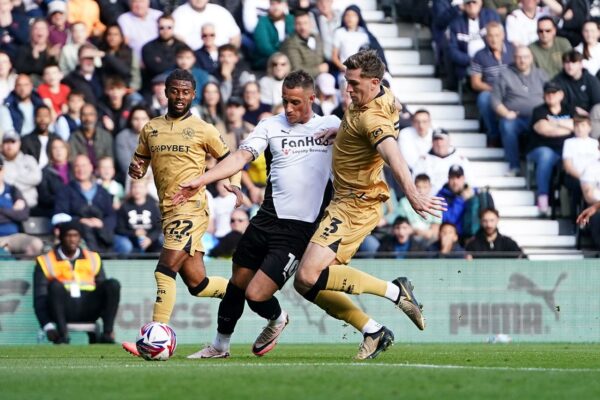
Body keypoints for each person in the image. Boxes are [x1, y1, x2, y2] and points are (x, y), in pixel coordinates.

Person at [171, 69, 341, 358]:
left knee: (256, 295)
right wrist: (202, 179)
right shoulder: (270, 125)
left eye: (296, 102)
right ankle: (219, 346)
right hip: (265, 219)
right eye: (285, 101)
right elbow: (240, 157)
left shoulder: (331, 124)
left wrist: (343, 131)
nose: (288, 108)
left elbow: (373, 124)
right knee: (237, 283)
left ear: (312, 98)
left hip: (298, 229)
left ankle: (278, 318)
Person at [291, 50, 444, 360]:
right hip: (345, 202)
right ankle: (373, 331)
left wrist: (412, 194)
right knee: (309, 284)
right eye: (347, 82)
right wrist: (343, 132)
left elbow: (392, 153)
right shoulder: (379, 96)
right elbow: (389, 106)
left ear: (374, 82)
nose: (347, 89)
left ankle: (395, 292)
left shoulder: (373, 117)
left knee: (307, 276)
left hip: (354, 206)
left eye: (353, 84)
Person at [121, 69, 242, 357]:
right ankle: (251, 293)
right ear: (166, 91)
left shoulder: (204, 129)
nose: (180, 97)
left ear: (194, 94)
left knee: (164, 271)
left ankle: (155, 337)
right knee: (198, 284)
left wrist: (235, 186)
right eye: (175, 91)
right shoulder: (150, 128)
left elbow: (231, 159)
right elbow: (139, 163)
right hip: (168, 211)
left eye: (186, 92)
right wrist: (135, 170)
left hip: (192, 209)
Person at [33, 221, 121, 344]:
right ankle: (62, 336)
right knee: (55, 286)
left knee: (112, 284)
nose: (72, 239)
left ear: (80, 238)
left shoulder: (93, 258)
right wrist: (47, 326)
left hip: (88, 307)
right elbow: (39, 297)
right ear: (61, 238)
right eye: (68, 236)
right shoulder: (45, 261)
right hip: (62, 309)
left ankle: (107, 334)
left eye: (76, 236)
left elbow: (103, 289)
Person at [492, 45, 547, 176]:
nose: (522, 60)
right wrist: (506, 113)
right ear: (514, 58)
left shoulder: (541, 74)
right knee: (507, 125)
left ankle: (538, 168)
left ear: (531, 58)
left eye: (526, 57)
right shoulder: (504, 74)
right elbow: (495, 100)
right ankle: (514, 167)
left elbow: (551, 95)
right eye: (519, 57)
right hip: (516, 118)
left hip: (538, 117)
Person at [52, 154, 116, 252]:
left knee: (124, 246)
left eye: (84, 165)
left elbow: (111, 215)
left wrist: (101, 223)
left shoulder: (102, 191)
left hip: (102, 234)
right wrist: (80, 221)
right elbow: (60, 215)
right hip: (78, 234)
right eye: (77, 166)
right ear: (73, 169)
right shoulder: (65, 191)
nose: (81, 169)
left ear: (91, 168)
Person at [527, 81, 574, 216]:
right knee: (546, 155)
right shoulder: (539, 110)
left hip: (565, 150)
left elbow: (577, 126)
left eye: (553, 93)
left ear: (561, 95)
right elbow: (544, 130)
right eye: (547, 93)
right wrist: (566, 126)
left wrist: (555, 122)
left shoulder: (569, 109)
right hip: (540, 149)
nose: (550, 96)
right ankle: (543, 197)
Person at [470, 21, 514, 144]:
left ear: (503, 35)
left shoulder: (513, 50)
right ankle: (494, 134)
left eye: (497, 35)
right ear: (486, 37)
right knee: (484, 99)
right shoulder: (479, 55)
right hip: (492, 90)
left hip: (513, 89)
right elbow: (475, 83)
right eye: (490, 36)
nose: (494, 39)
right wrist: (493, 89)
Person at [447, 0, 501, 81]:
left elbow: (500, 40)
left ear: (481, 3)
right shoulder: (456, 23)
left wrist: (488, 59)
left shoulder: (491, 16)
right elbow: (453, 51)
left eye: (474, 2)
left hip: (491, 62)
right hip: (468, 65)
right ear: (464, 5)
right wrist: (473, 61)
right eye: (468, 2)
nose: (471, 5)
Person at [0, 156, 43, 255]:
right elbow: (16, 214)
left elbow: (23, 215)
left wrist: (2, 211)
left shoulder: (12, 190)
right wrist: (12, 211)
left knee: (35, 244)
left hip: (13, 236)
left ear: (3, 170)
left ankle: (22, 269)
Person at [412, 128, 472, 195]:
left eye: (441, 139)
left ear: (449, 141)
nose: (439, 143)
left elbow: (469, 182)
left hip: (455, 198)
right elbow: (415, 184)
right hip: (430, 200)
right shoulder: (423, 161)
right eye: (436, 139)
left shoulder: (460, 159)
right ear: (432, 142)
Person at [114, 178, 162, 254]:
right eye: (134, 187)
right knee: (125, 245)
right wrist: (134, 233)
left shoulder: (154, 206)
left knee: (163, 240)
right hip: (131, 239)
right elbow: (119, 228)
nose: (137, 190)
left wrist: (150, 238)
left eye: (140, 187)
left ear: (146, 189)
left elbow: (159, 227)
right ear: (130, 189)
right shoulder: (124, 206)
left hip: (151, 238)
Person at [280, 10, 328, 78]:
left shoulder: (317, 38)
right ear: (294, 25)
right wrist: (319, 69)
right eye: (299, 23)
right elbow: (297, 70)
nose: (302, 27)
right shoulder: (290, 42)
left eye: (305, 23)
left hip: (320, 76)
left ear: (310, 24)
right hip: (301, 80)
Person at [2, 130, 42, 208]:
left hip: (31, 205)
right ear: (2, 145)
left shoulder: (29, 159)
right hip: (6, 208)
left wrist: (11, 181)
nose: (9, 146)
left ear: (19, 143)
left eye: (13, 142)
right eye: (6, 142)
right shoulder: (1, 162)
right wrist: (25, 181)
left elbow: (37, 178)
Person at [141, 15, 184, 87]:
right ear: (157, 28)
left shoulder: (182, 46)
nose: (165, 31)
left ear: (174, 28)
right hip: (155, 86)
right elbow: (156, 69)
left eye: (169, 27)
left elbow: (188, 66)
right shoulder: (148, 47)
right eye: (162, 28)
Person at [251, 0, 295, 70]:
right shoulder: (263, 21)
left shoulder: (291, 19)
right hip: (268, 60)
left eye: (279, 3)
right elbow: (264, 47)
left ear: (285, 5)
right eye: (272, 4)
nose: (275, 7)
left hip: (290, 58)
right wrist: (282, 58)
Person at [397, 174, 441, 242]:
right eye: (418, 187)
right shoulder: (404, 202)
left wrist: (417, 231)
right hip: (408, 239)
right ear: (414, 187)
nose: (421, 190)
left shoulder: (436, 204)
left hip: (428, 241)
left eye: (425, 187)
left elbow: (434, 233)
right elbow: (400, 226)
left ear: (430, 187)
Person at [68, 103, 114, 168]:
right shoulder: (73, 138)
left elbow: (110, 159)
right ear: (80, 117)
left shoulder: (105, 136)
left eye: (91, 114)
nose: (88, 118)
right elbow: (73, 161)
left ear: (96, 117)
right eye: (84, 115)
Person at [20, 105, 60, 169]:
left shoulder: (56, 139)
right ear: (34, 118)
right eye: (39, 116)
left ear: (50, 119)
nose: (42, 119)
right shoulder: (26, 140)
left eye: (46, 116)